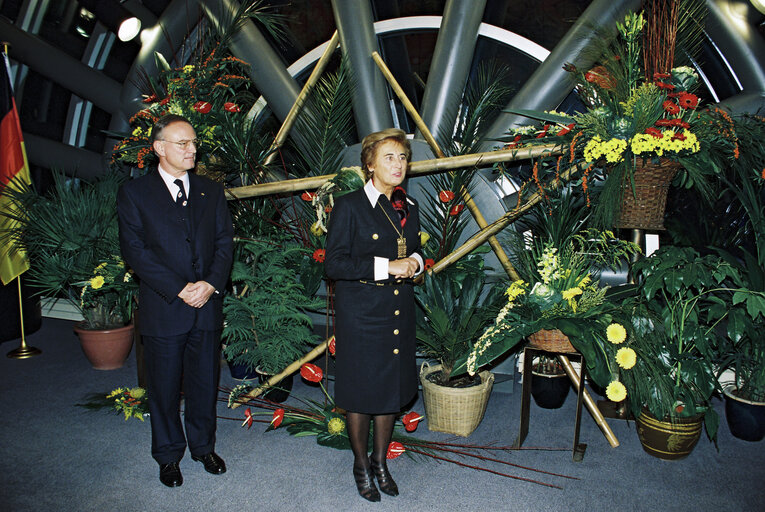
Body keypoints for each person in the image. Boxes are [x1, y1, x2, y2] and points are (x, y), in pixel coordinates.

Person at [117, 114, 234, 488]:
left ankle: (203, 447)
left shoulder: (210, 191)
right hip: (164, 308)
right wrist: (181, 288)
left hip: (206, 306)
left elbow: (224, 244)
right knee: (164, 388)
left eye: (194, 143)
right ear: (159, 149)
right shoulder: (135, 193)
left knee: (204, 384)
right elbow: (135, 252)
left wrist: (211, 284)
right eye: (183, 143)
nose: (192, 150)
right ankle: (168, 455)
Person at [324, 128, 423, 502]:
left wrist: (414, 263)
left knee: (389, 392)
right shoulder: (349, 206)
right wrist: (388, 267)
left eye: (402, 158)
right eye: (389, 158)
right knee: (362, 392)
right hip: (362, 314)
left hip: (397, 313)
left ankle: (381, 462)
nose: (398, 165)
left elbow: (414, 252)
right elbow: (334, 265)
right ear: (369, 164)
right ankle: (361, 464)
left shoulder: (408, 207)